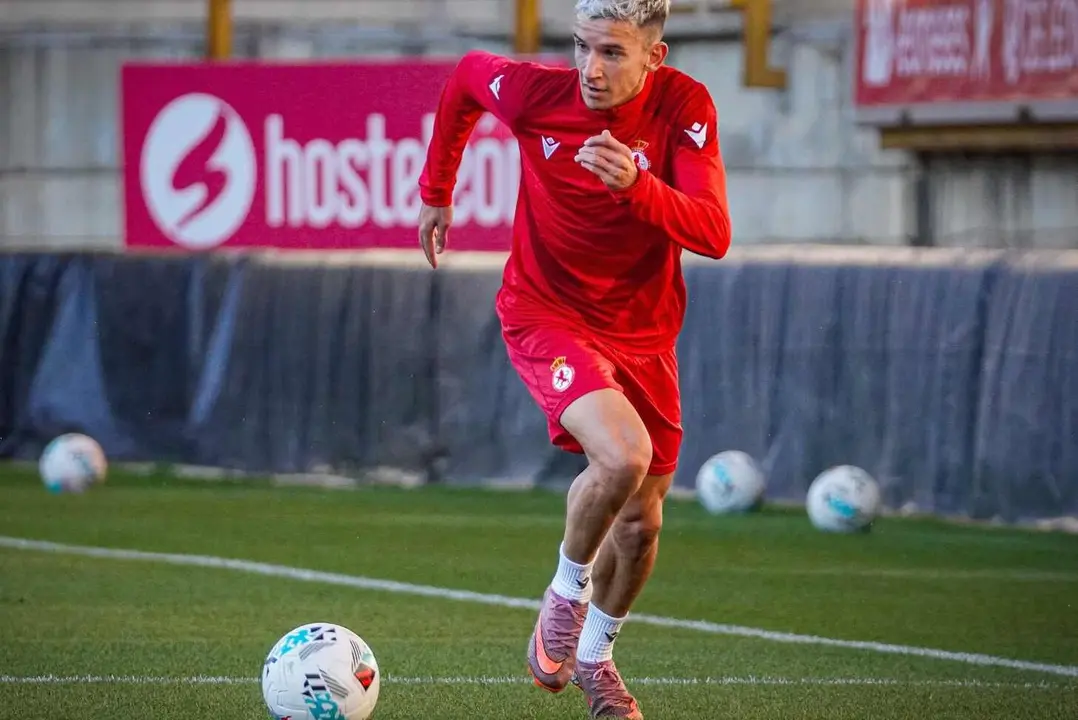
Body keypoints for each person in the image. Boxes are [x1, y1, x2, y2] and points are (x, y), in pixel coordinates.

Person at [417, 0, 731, 716]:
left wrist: (638, 188)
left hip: (646, 336)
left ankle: (595, 658)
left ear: (655, 56)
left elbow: (713, 231)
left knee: (644, 525)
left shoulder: (685, 105)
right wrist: (438, 190)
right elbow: (467, 76)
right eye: (582, 47)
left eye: (612, 53)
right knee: (622, 456)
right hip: (546, 313)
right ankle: (564, 594)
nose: (590, 68)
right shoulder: (540, 95)